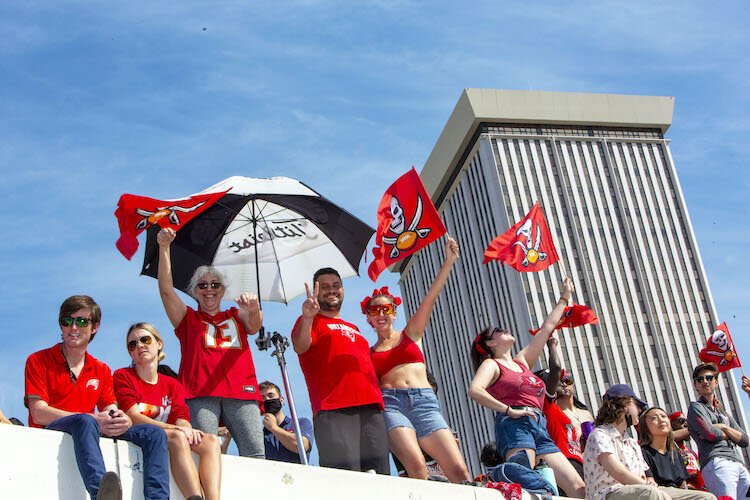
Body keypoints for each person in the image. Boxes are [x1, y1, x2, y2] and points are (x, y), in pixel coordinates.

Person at [24, 295, 170, 500]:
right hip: (54, 430)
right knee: (85, 419)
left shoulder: (101, 369)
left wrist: (120, 418)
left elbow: (109, 408)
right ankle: (100, 495)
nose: (73, 327)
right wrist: (93, 418)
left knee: (154, 434)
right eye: (67, 321)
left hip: (89, 430)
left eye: (82, 321)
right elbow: (38, 413)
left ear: (94, 328)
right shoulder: (38, 360)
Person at [362, 237, 470, 482]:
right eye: (375, 310)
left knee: (459, 471)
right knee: (417, 468)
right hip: (391, 405)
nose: (381, 314)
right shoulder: (367, 352)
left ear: (394, 312)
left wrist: (449, 262)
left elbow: (430, 298)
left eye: (385, 309)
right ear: (368, 318)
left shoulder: (410, 333)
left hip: (424, 402)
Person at [468, 277, 585, 498]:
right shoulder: (492, 364)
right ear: (490, 343)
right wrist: (508, 410)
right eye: (499, 330)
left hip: (538, 424)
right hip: (515, 423)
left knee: (578, 487)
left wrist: (564, 298)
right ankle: (501, 473)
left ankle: (506, 472)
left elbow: (546, 329)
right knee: (530, 483)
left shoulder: (521, 362)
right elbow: (475, 390)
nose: (506, 330)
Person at [157, 227, 265, 458]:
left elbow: (254, 325)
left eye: (215, 284)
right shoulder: (188, 319)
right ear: (194, 291)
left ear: (223, 289)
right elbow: (166, 291)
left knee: (255, 453)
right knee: (205, 451)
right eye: (202, 285)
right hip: (200, 392)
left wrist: (254, 307)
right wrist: (164, 248)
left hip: (241, 390)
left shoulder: (237, 314)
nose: (209, 290)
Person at [292, 267, 389, 474]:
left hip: (371, 410)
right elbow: (300, 346)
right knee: (347, 481)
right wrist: (308, 317)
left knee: (381, 479)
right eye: (324, 287)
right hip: (334, 410)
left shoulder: (354, 327)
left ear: (343, 290)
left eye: (336, 285)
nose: (331, 290)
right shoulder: (309, 322)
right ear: (316, 293)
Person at [114, 323, 222, 500]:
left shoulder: (172, 384)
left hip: (167, 433)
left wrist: (186, 428)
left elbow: (181, 416)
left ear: (159, 344)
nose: (139, 345)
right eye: (132, 344)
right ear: (130, 353)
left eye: (145, 340)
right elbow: (133, 416)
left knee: (210, 441)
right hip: (136, 433)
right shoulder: (122, 375)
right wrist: (175, 429)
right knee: (177, 436)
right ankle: (194, 497)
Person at [583, 384, 668, 500]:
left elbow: (645, 476)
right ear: (624, 405)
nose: (639, 410)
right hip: (607, 494)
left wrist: (650, 482)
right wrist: (649, 487)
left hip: (638, 491)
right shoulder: (599, 435)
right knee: (651, 494)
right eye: (636, 405)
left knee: (698, 497)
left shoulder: (632, 443)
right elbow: (618, 472)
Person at [687, 362, 750, 499]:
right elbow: (710, 434)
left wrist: (724, 427)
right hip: (716, 461)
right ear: (695, 385)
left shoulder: (724, 413)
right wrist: (732, 435)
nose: (705, 381)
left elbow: (745, 440)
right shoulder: (696, 408)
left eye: (709, 378)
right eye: (700, 379)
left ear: (716, 382)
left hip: (738, 462)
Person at [536, 335, 593, 483]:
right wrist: (552, 345)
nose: (563, 384)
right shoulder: (547, 406)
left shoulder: (583, 413)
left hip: (581, 463)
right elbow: (555, 368)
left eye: (567, 381)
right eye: (557, 381)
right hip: (564, 461)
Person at [639, 406, 716, 499]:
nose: (661, 420)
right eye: (654, 418)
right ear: (645, 426)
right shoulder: (642, 453)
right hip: (658, 493)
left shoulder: (675, 453)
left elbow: (682, 483)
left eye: (663, 416)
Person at [259, 380, 314, 463]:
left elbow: (302, 446)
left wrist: (274, 428)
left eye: (271, 395)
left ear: (281, 400)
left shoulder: (300, 423)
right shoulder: (259, 435)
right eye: (263, 398)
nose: (267, 399)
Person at [669, 412, 706, 491]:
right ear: (670, 425)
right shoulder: (667, 450)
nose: (686, 424)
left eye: (687, 422)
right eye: (681, 421)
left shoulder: (692, 453)